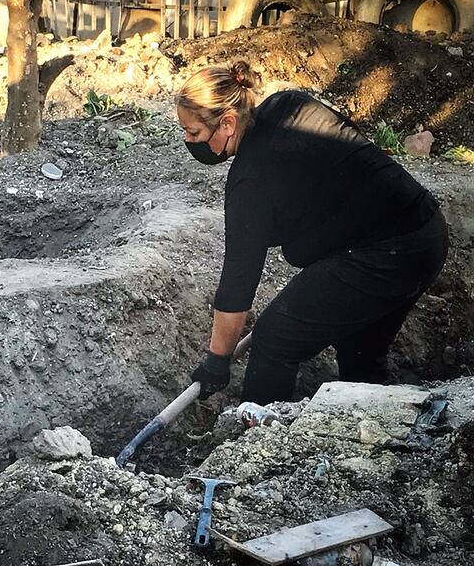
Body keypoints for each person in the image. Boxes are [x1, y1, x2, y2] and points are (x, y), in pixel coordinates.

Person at [178, 61, 448, 406]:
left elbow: (238, 282)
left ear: (228, 122)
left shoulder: (250, 182)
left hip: (388, 252)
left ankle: (256, 443)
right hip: (424, 231)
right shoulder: (288, 104)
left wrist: (217, 360)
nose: (188, 141)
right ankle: (367, 435)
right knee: (360, 351)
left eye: (195, 133)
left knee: (275, 339)